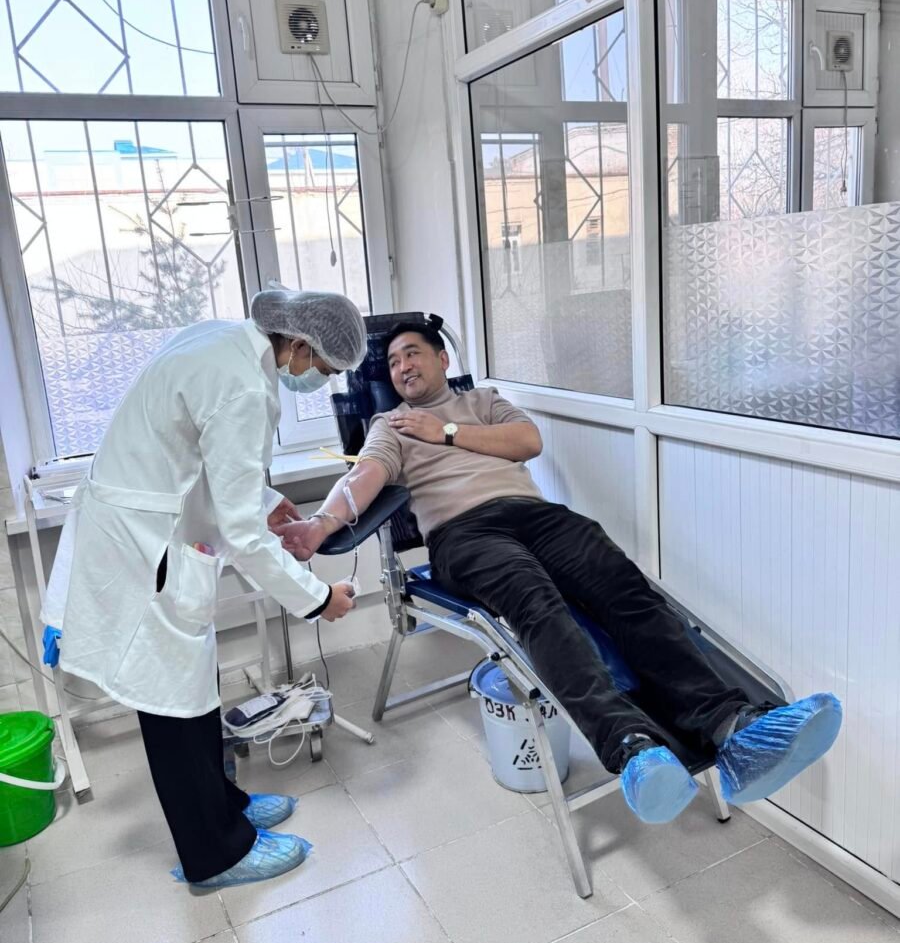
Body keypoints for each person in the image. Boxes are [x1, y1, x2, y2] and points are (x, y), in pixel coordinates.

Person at [274, 320, 843, 825]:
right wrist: (319, 525)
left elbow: (527, 441)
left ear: (442, 359)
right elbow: (365, 477)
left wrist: (443, 431)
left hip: (537, 517)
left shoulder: (485, 401)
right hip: (462, 534)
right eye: (393, 362)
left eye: (412, 354)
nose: (402, 367)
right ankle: (632, 746)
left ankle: (731, 726)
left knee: (626, 589)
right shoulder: (390, 423)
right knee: (537, 605)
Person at [42, 288, 366, 886]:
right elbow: (243, 534)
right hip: (147, 549)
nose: (317, 380)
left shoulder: (218, 339)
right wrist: (318, 599)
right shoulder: (244, 386)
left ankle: (226, 805)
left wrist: (265, 500)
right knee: (173, 704)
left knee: (194, 691)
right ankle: (215, 855)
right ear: (298, 344)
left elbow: (194, 453)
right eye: (322, 368)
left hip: (148, 528)